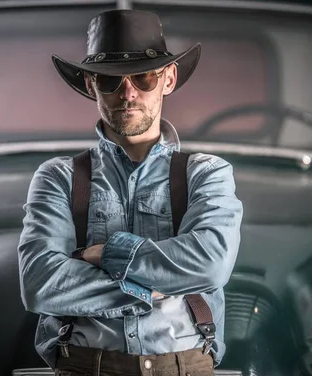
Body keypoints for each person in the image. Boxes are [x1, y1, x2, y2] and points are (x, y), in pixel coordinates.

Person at [18, 9, 243, 376]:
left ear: (168, 78)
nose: (128, 93)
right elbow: (41, 284)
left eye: (143, 77)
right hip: (84, 367)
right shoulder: (58, 177)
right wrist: (148, 292)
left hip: (185, 367)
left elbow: (210, 263)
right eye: (110, 81)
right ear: (91, 85)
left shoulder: (207, 173)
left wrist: (106, 254)